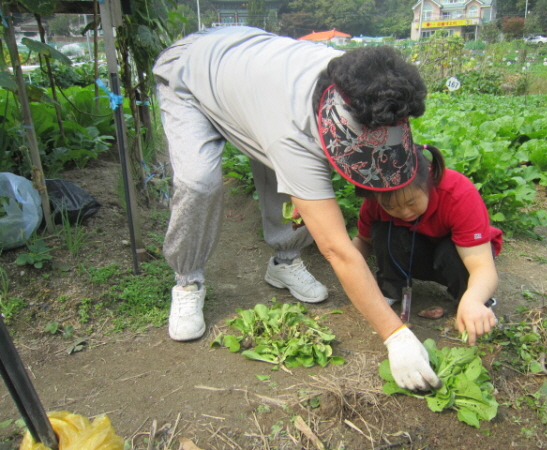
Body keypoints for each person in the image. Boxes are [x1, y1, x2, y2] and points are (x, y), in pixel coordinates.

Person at [153, 25, 441, 391]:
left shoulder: (360, 78)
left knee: (289, 178)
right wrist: (395, 335)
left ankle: (284, 261)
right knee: (199, 183)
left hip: (249, 80)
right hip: (193, 74)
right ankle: (188, 280)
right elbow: (337, 248)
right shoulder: (291, 132)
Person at [352, 143, 503, 346]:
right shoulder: (375, 202)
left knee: (450, 251)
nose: (404, 212)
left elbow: (482, 267)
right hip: (417, 257)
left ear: (428, 181)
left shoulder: (457, 192)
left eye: (411, 202)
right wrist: (344, 266)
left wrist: (474, 299)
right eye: (392, 207)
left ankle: (472, 302)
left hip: (455, 258)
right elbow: (363, 241)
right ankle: (391, 289)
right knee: (383, 230)